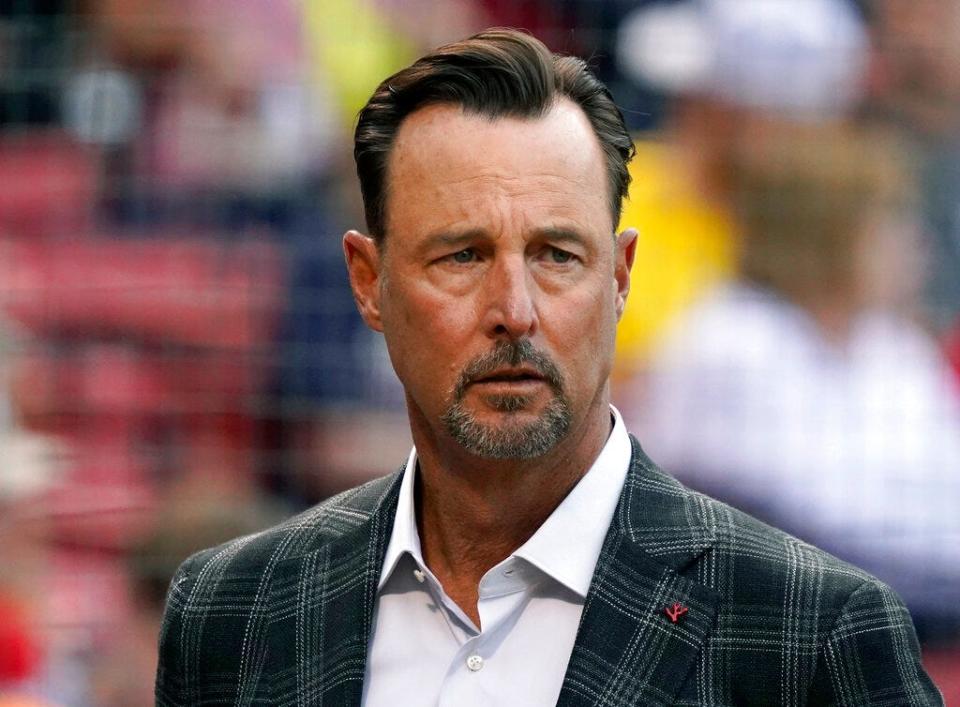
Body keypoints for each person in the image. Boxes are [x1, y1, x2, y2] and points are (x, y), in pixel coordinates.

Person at [155, 29, 942, 706]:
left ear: (621, 278)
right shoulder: (234, 611)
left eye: (557, 255)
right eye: (462, 255)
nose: (514, 309)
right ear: (370, 282)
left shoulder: (814, 634)